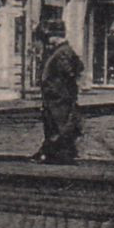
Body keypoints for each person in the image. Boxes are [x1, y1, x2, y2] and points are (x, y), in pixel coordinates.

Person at [33, 23, 84, 164]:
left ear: (56, 36)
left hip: (59, 96)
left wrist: (60, 89)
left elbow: (69, 72)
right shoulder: (62, 50)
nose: (48, 39)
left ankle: (59, 155)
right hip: (57, 95)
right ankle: (51, 153)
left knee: (58, 125)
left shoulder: (62, 52)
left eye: (49, 36)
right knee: (55, 124)